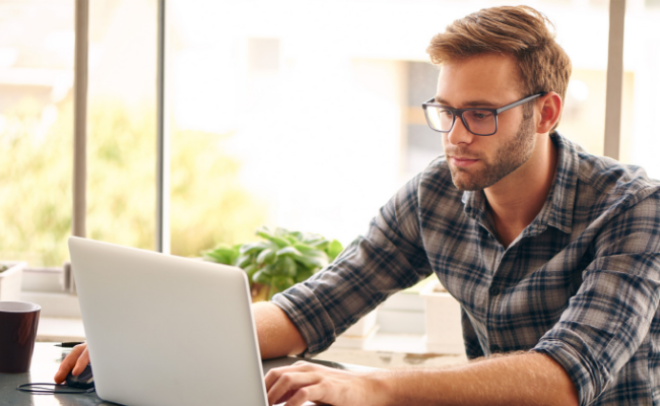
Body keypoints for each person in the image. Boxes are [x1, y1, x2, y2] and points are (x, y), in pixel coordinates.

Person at [56, 5, 660, 406]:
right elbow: (313, 308)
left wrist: (374, 385)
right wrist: (153, 337)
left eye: (480, 114)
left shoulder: (635, 210)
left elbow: (564, 377)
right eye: (445, 111)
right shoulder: (435, 195)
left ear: (546, 113)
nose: (454, 134)